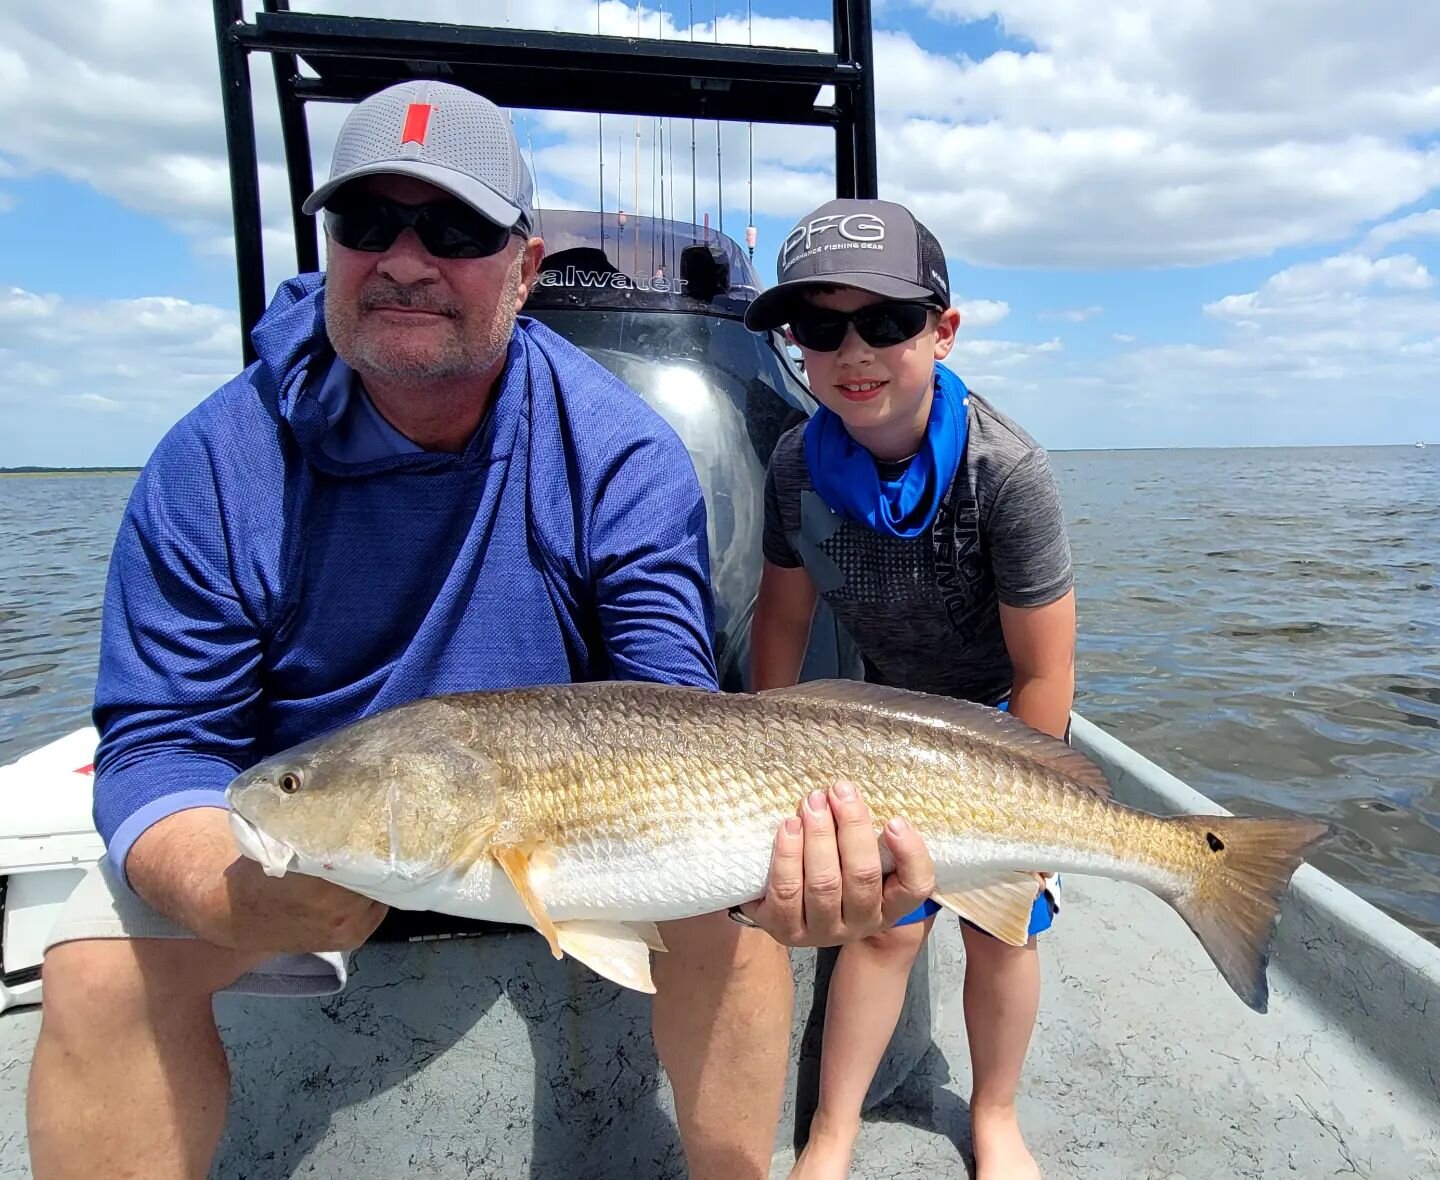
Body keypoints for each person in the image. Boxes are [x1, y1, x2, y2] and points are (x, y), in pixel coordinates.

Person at [24, 84, 938, 1180]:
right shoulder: (213, 463)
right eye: (369, 224)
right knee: (95, 971)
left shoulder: (620, 453)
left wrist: (777, 871)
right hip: (307, 841)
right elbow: (162, 743)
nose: (405, 259)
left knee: (733, 929)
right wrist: (234, 885)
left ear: (524, 266)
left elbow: (673, 708)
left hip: (569, 838)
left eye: (454, 230)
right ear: (330, 247)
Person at [745, 198, 1077, 1180]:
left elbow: (1046, 668)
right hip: (878, 727)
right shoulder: (794, 465)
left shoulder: (1007, 473)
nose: (855, 350)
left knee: (999, 933)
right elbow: (782, 617)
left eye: (886, 321)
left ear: (942, 329)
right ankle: (832, 1133)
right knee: (883, 936)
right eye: (821, 326)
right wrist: (765, 756)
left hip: (1001, 729)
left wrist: (1012, 801)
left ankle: (997, 1117)